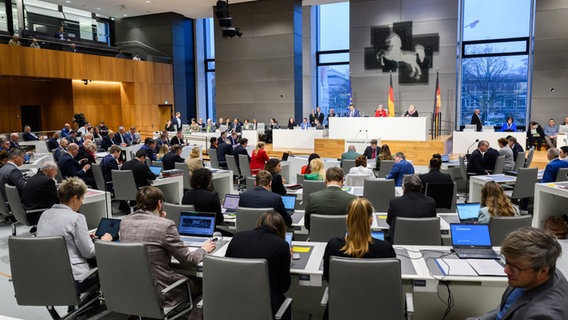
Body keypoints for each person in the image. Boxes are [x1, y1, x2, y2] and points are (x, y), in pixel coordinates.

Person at [120, 186, 215, 309]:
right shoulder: (166, 225)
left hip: (135, 289)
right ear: (159, 203)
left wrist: (159, 220)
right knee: (206, 283)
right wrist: (204, 249)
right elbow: (189, 260)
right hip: (163, 291)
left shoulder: (124, 222)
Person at [471, 227, 568, 319]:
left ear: (543, 271)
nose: (506, 270)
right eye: (507, 262)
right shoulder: (540, 270)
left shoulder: (544, 315)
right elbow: (506, 310)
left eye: (515, 267)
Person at [37, 177, 112, 293]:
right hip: (75, 279)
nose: (82, 202)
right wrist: (104, 240)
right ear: (74, 198)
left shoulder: (45, 214)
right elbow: (89, 252)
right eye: (81, 198)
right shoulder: (77, 218)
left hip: (48, 275)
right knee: (109, 263)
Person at [225, 211, 291, 320]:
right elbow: (284, 287)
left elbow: (227, 269)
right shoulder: (281, 245)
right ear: (281, 229)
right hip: (268, 307)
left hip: (234, 300)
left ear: (259, 223)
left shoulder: (237, 237)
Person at [323, 197, 396, 282]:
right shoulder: (385, 249)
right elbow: (391, 280)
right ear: (371, 221)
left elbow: (328, 278)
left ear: (347, 220)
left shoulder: (333, 246)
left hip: (343, 295)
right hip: (375, 295)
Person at [386, 175, 436, 242]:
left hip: (399, 240)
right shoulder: (431, 202)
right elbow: (431, 223)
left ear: (404, 187)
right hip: (424, 240)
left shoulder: (395, 202)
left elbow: (389, 222)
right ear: (421, 187)